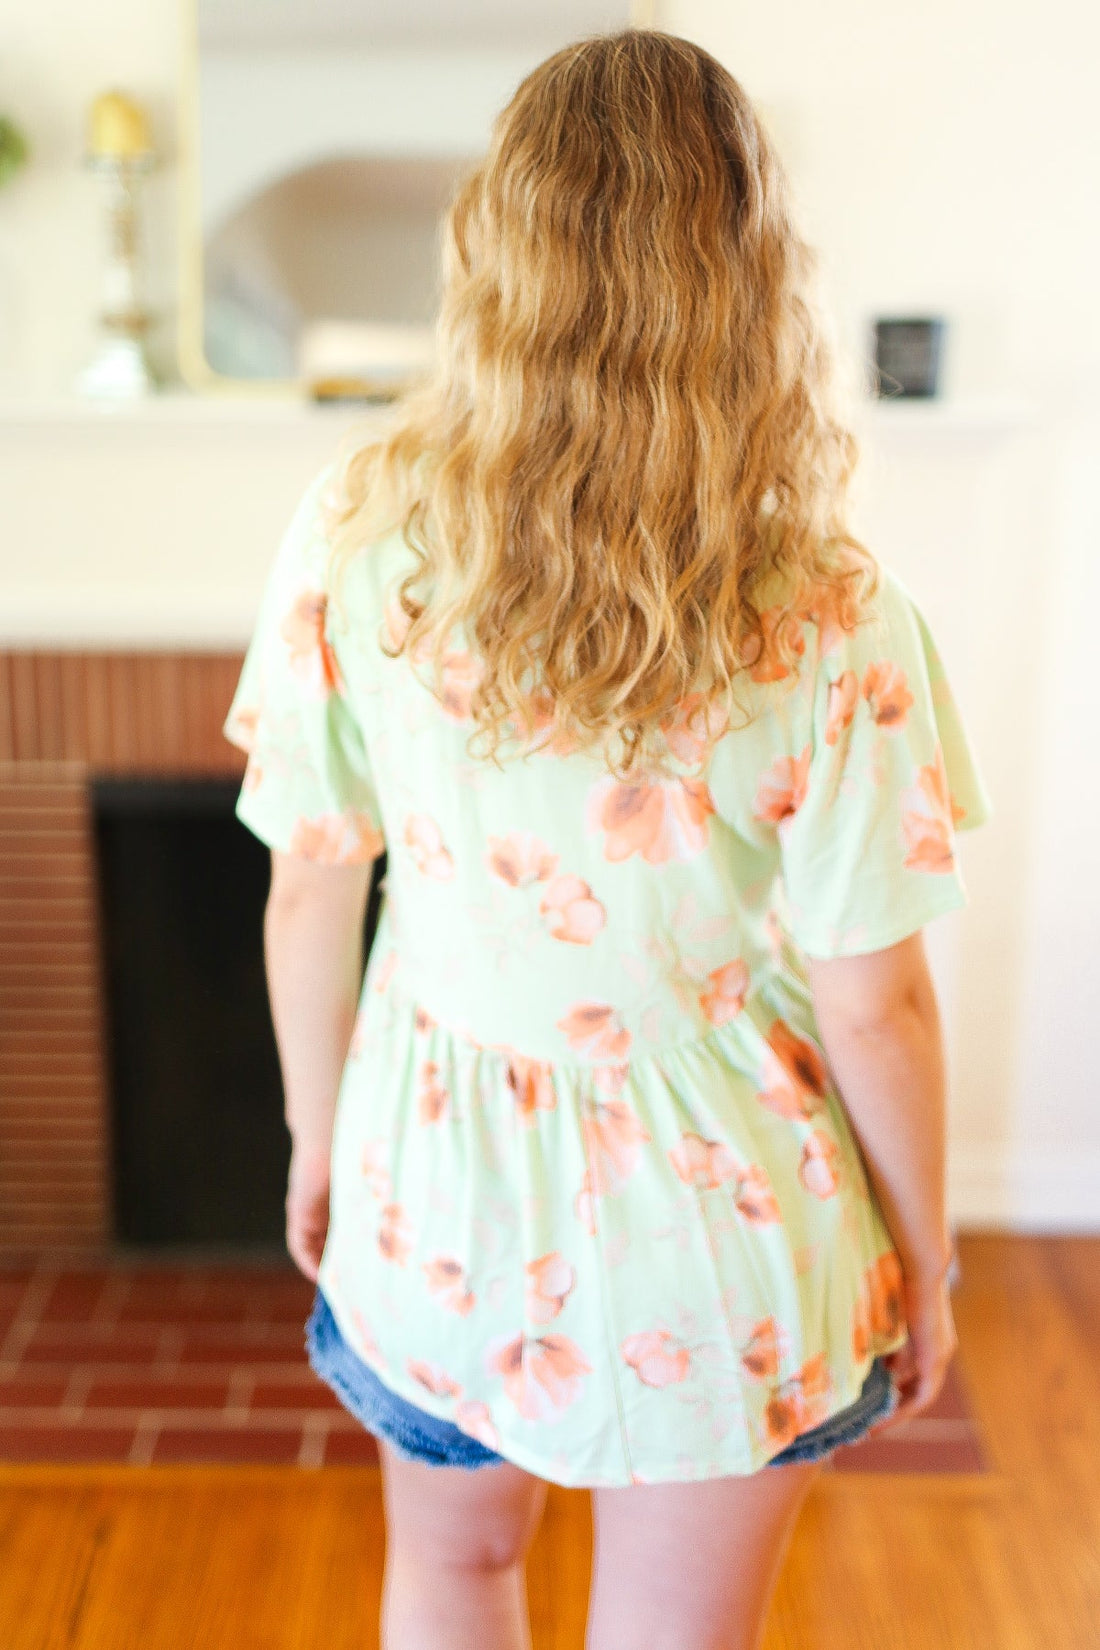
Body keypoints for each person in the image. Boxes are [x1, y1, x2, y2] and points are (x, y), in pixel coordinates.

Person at [222, 28, 991, 1650]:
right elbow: (877, 1002)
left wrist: (314, 1137)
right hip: (721, 1237)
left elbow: (309, 880)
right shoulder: (836, 614)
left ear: (491, 250)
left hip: (432, 1185)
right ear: (742, 269)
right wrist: (928, 1259)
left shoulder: (356, 533)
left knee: (454, 1572)